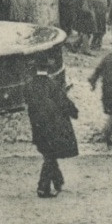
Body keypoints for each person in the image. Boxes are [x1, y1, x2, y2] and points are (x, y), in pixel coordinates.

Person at [24, 52, 79, 198]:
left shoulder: (29, 85)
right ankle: (43, 188)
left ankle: (58, 181)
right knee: (50, 155)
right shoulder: (52, 84)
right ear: (47, 69)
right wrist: (74, 112)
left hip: (36, 126)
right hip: (51, 126)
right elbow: (64, 102)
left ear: (34, 69)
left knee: (48, 153)